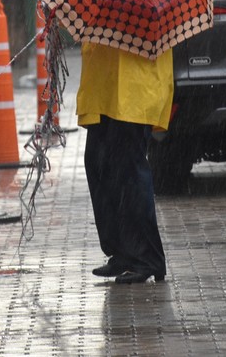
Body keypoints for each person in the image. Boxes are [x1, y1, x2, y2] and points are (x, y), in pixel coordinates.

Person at [77, 41, 174, 284]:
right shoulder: (104, 4)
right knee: (99, 163)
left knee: (129, 172)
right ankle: (122, 252)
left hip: (134, 91)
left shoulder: (145, 6)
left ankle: (147, 257)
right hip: (105, 88)